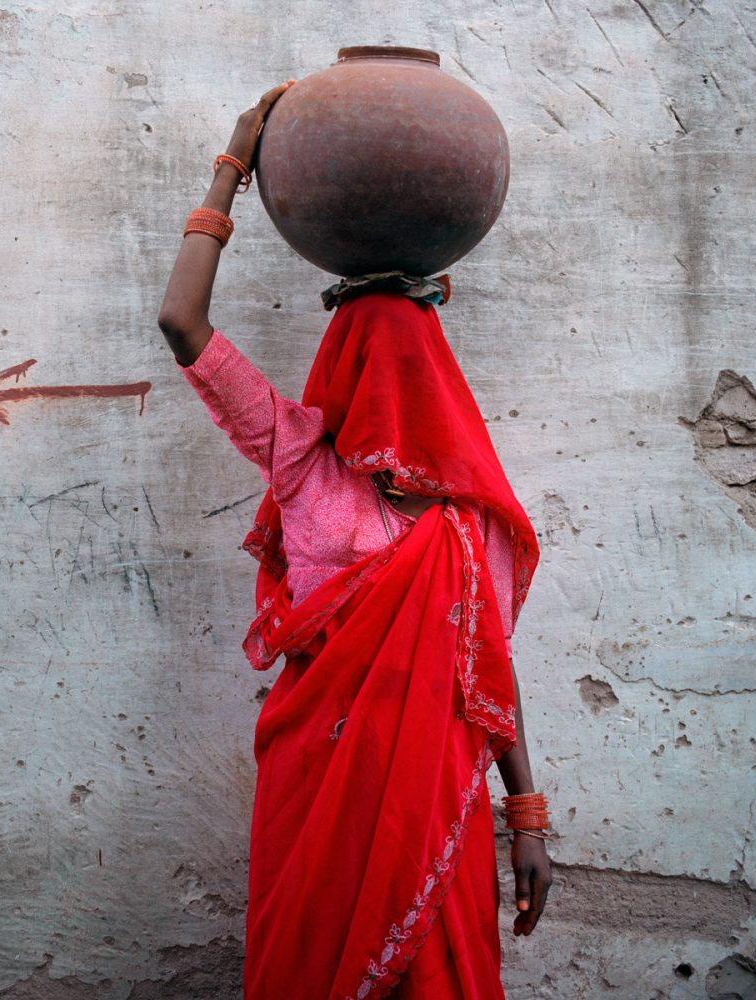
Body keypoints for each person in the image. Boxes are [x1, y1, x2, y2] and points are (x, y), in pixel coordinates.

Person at [157, 82, 552, 1000]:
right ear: (337, 364)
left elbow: (489, 663)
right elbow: (183, 324)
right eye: (364, 356)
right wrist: (230, 165)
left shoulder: (460, 518)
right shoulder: (297, 456)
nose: (385, 382)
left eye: (405, 364)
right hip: (318, 779)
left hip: (431, 799)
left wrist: (525, 813)